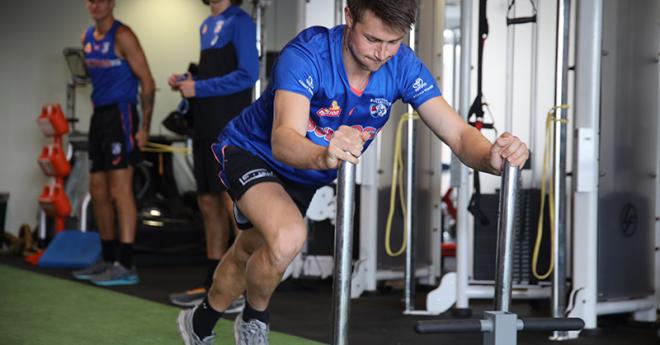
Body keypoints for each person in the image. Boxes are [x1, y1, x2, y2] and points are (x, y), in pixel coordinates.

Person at [177, 0, 529, 343]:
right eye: (372, 39)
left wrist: (492, 157)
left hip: (307, 173)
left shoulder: (403, 65)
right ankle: (255, 322)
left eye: (394, 41)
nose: (382, 53)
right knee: (287, 237)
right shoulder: (307, 53)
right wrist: (325, 154)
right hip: (254, 151)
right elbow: (284, 139)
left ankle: (200, 321)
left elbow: (459, 135)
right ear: (349, 16)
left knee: (250, 250)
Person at [167, 0, 258, 310]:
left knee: (231, 203)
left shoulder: (240, 22)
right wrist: (188, 81)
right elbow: (215, 71)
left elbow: (248, 75)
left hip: (230, 126)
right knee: (207, 201)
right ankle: (213, 284)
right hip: (204, 124)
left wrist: (200, 88)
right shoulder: (206, 25)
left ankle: (242, 289)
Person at [72, 0, 155, 286]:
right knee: (97, 190)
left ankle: (125, 263)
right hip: (100, 118)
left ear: (112, 3)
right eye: (91, 0)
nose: (95, 5)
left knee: (120, 190)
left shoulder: (123, 36)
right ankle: (107, 258)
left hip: (122, 115)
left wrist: (144, 128)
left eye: (101, 0)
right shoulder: (86, 38)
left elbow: (148, 82)